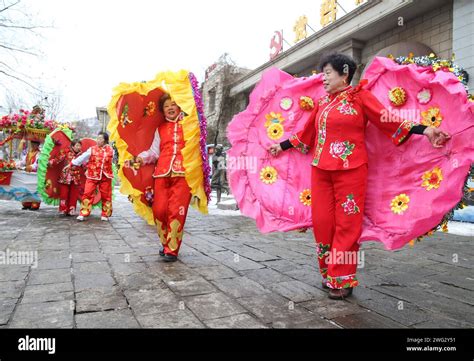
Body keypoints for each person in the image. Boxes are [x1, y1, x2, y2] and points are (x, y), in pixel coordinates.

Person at [269, 53, 450, 300]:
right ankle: (329, 273)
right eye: (323, 74)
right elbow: (306, 133)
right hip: (320, 171)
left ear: (344, 74)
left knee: (348, 225)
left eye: (328, 73)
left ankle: (342, 278)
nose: (323, 78)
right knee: (323, 223)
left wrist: (425, 129)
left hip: (352, 170)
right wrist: (282, 146)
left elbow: (390, 121)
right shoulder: (322, 103)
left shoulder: (361, 97)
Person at [130, 94, 193, 262]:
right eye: (166, 106)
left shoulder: (190, 126)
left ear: (179, 107)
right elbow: (153, 152)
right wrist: (141, 158)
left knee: (176, 211)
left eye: (174, 104)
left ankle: (172, 249)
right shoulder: (160, 129)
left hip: (183, 175)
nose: (170, 108)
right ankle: (166, 242)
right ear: (162, 110)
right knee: (159, 210)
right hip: (161, 173)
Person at [72, 132, 114, 222]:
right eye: (97, 138)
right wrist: (73, 163)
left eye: (100, 138)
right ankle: (83, 213)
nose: (98, 140)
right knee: (87, 193)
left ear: (105, 140)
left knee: (106, 195)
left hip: (105, 176)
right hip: (92, 175)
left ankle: (105, 214)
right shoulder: (92, 149)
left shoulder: (111, 150)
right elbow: (82, 157)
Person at [48, 140, 83, 216]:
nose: (79, 147)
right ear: (73, 146)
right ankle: (63, 209)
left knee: (74, 195)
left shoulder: (82, 155)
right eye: (77, 145)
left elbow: (85, 165)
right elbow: (58, 159)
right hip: (65, 176)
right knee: (64, 194)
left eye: (80, 146)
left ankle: (71, 210)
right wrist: (50, 162)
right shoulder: (66, 152)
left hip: (76, 177)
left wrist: (88, 170)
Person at [20, 140, 41, 210]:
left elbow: (36, 164)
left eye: (35, 144)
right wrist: (16, 164)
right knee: (26, 187)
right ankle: (27, 202)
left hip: (34, 174)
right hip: (26, 173)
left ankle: (35, 202)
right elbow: (23, 162)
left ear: (38, 145)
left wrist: (30, 167)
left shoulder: (39, 153)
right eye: (32, 144)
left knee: (34, 188)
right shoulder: (29, 153)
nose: (33, 145)